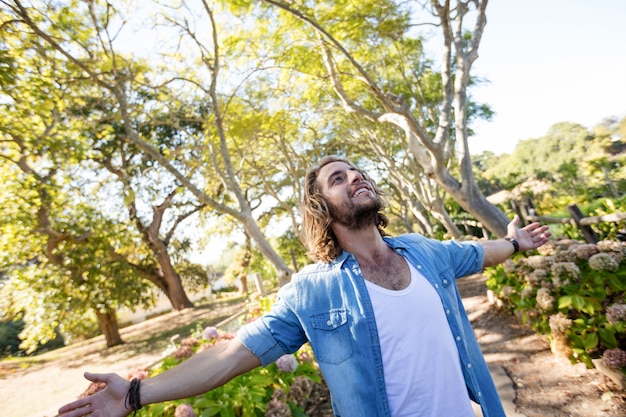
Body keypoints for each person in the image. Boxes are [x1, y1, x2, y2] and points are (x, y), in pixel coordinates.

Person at [58, 156, 551, 417]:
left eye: (358, 172)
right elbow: (231, 355)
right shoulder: (313, 291)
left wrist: (515, 242)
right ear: (321, 208)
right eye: (339, 178)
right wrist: (137, 394)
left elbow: (476, 253)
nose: (356, 178)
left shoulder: (423, 251)